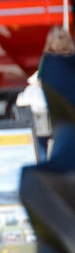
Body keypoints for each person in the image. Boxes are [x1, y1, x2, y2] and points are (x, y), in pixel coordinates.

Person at [17, 25, 74, 162]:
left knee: (41, 144)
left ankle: (43, 167)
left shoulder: (48, 61)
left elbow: (41, 81)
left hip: (46, 114)